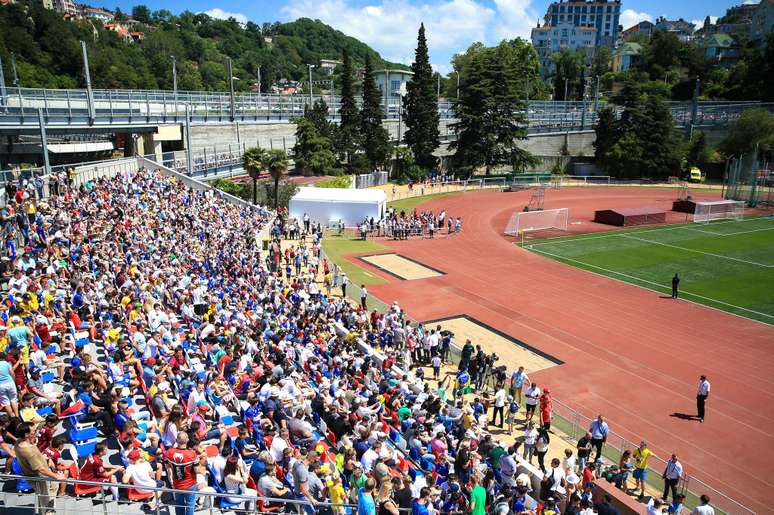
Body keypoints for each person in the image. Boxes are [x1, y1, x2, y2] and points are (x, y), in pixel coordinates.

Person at [14, 422, 65, 515]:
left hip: (39, 473)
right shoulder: (28, 450)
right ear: (26, 434)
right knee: (45, 499)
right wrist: (57, 476)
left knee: (53, 487)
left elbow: (33, 458)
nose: (37, 433)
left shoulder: (19, 442)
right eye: (34, 431)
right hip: (39, 478)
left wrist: (44, 458)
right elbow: (40, 469)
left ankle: (49, 508)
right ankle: (47, 512)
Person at [164, 432, 200, 515]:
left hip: (177, 484)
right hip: (190, 484)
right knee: (190, 504)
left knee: (179, 504)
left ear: (176, 440)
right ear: (187, 440)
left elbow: (167, 467)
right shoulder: (192, 454)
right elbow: (196, 470)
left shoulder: (169, 452)